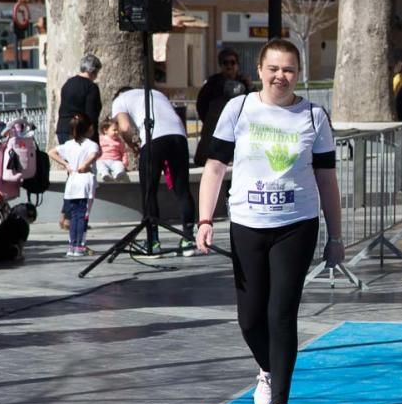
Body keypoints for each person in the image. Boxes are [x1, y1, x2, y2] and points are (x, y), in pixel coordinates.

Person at [196, 38, 344, 404]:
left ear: (299, 74)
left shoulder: (314, 116)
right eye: (274, 68)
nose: (281, 76)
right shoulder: (239, 108)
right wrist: (205, 219)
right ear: (259, 70)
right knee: (249, 318)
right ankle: (266, 368)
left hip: (296, 224)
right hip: (247, 223)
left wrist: (336, 235)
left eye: (289, 70)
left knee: (281, 314)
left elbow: (327, 178)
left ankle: (280, 403)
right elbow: (214, 169)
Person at [112, 85, 197, 256]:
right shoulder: (155, 94)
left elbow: (125, 127)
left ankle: (154, 242)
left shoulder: (120, 100)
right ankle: (188, 239)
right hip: (178, 137)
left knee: (149, 191)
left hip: (154, 139)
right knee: (182, 189)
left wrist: (131, 144)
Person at [49, 114, 99, 257]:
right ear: (89, 128)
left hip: (72, 182)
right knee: (82, 215)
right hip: (85, 182)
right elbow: (94, 155)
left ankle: (72, 246)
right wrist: (84, 165)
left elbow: (51, 152)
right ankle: (79, 245)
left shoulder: (69, 144)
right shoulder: (91, 145)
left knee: (74, 214)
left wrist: (66, 165)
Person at [194, 48, 251, 167]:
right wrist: (209, 121)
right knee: (205, 161)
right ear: (221, 65)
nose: (229, 66)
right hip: (214, 128)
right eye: (225, 63)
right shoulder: (213, 83)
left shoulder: (245, 83)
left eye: (232, 62)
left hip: (238, 128)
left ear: (237, 65)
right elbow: (201, 104)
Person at [56, 54, 102, 144]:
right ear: (94, 71)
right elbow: (91, 114)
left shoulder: (68, 84)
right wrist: (95, 140)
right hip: (79, 131)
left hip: (62, 128)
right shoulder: (91, 87)